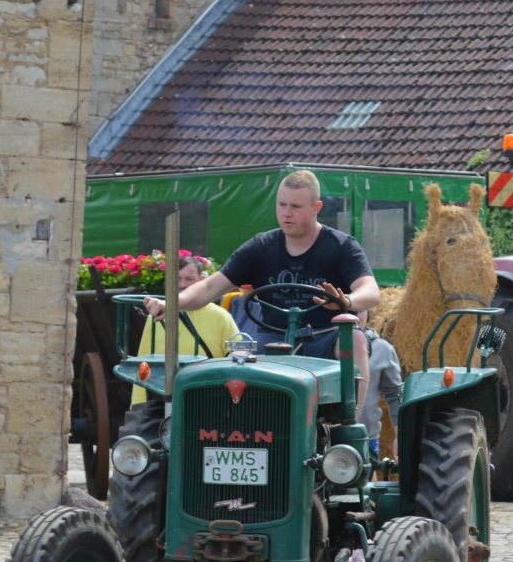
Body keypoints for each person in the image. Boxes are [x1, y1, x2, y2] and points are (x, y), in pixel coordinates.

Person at [143, 169, 381, 413]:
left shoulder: (342, 246)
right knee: (235, 354)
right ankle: (226, 425)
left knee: (355, 339)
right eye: (282, 204)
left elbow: (371, 292)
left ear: (316, 207)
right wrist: (171, 303)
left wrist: (347, 300)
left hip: (324, 336)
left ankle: (350, 424)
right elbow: (209, 286)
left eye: (296, 206)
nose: (287, 213)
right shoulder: (260, 247)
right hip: (272, 338)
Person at [132, 255, 240, 404]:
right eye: (177, 278)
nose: (182, 284)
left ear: (202, 281)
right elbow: (143, 365)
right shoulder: (155, 317)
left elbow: (239, 359)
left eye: (189, 279)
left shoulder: (222, 317)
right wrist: (138, 406)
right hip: (162, 398)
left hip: (209, 399)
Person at [359, 310, 404, 457]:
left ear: (368, 312)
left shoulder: (382, 349)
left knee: (365, 476)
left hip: (366, 438)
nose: (353, 315)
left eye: (359, 310)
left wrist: (400, 436)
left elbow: (395, 394)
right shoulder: (316, 346)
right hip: (320, 438)